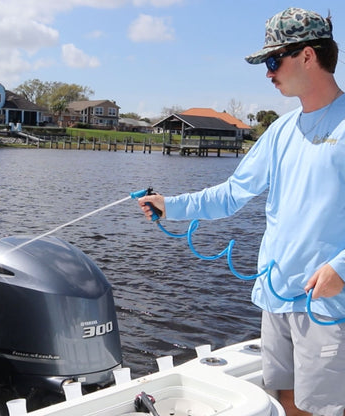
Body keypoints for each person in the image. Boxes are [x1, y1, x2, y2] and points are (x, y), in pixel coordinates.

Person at [138, 7, 345, 416]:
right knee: (284, 398)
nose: (268, 73)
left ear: (307, 55)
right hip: (275, 295)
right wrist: (170, 205)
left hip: (327, 303)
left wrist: (341, 268)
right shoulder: (282, 130)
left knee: (324, 408)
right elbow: (233, 192)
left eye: (273, 61)